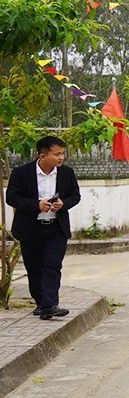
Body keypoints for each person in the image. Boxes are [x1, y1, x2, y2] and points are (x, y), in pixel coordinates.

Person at [5, 135, 81, 320]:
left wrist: (63, 204)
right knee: (34, 268)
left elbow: (75, 196)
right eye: (57, 154)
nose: (61, 158)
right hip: (30, 228)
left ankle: (50, 304)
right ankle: (41, 304)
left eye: (63, 154)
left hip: (56, 228)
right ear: (42, 156)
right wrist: (36, 204)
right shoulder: (22, 173)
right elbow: (12, 198)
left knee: (52, 266)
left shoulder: (66, 173)